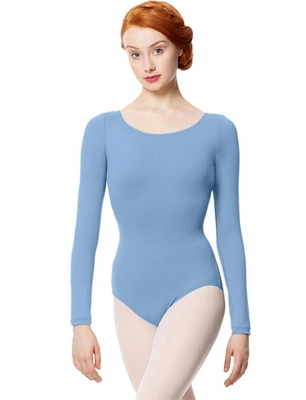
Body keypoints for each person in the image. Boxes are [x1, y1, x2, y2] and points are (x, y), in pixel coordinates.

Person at [70, 1, 250, 398]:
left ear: (179, 48)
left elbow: (230, 232)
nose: (147, 65)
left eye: (158, 49)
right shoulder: (102, 131)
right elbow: (86, 231)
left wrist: (242, 326)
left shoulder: (219, 132)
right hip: (129, 296)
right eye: (135, 54)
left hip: (197, 288)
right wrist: (80, 321)